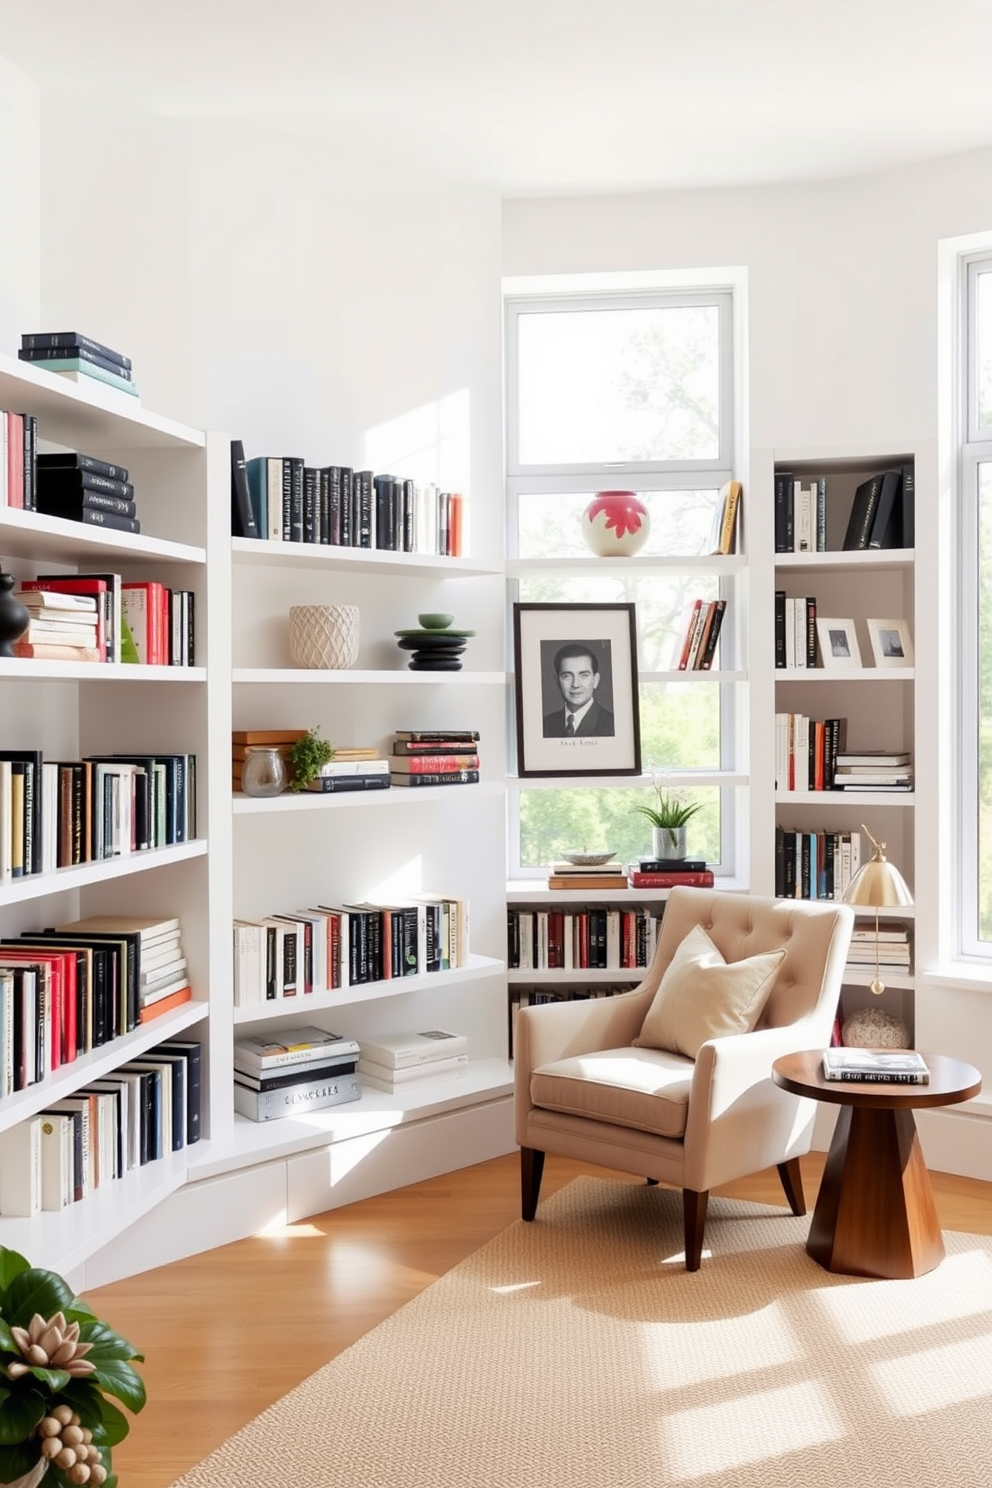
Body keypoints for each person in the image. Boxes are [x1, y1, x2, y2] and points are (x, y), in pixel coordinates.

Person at [542, 641, 615, 737]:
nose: (575, 684)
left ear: (595, 680)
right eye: (567, 676)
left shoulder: (612, 724)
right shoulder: (545, 724)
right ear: (557, 681)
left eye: (584, 675)